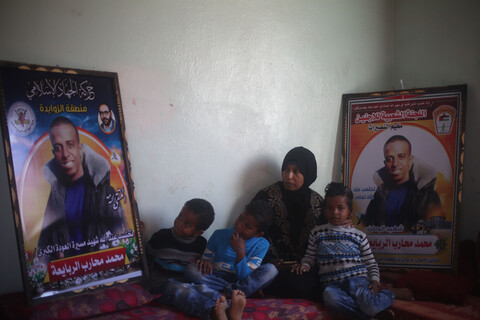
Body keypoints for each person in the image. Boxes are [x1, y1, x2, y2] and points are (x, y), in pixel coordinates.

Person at [292, 182, 405, 320]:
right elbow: (309, 256)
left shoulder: (359, 235)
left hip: (358, 281)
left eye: (340, 208)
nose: (335, 212)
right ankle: (369, 317)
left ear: (350, 211)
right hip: (332, 285)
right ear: (324, 209)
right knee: (329, 298)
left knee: (370, 306)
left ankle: (389, 294)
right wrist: (305, 265)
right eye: (329, 208)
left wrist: (375, 281)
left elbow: (371, 263)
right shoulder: (317, 233)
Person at [157, 200, 277, 320]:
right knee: (192, 270)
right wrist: (206, 262)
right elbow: (206, 262)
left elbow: (246, 279)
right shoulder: (219, 235)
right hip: (215, 279)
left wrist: (240, 254)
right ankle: (228, 300)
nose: (239, 226)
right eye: (240, 218)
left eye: (247, 227)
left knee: (271, 270)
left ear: (258, 234)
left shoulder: (261, 244)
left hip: (240, 282)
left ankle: (227, 294)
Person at [37, 116, 125, 259]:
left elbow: (123, 239)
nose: (65, 154)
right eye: (58, 148)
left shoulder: (104, 192)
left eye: (70, 144)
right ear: (54, 153)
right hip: (69, 276)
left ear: (80, 148)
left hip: (104, 272)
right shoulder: (54, 197)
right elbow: (43, 247)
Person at [251, 146, 326, 298]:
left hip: (305, 269)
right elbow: (250, 229)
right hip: (270, 267)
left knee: (319, 282)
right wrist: (270, 261)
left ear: (308, 172)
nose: (289, 176)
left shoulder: (319, 203)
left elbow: (328, 236)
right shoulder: (267, 196)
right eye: (286, 169)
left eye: (296, 171)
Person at [362, 135, 443, 231]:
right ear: (385, 163)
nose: (395, 164)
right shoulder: (379, 194)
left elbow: (437, 231)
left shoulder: (427, 195)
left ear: (410, 160)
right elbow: (367, 225)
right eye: (389, 159)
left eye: (401, 157)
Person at [146, 198, 215, 283]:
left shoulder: (201, 245)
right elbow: (146, 260)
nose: (180, 223)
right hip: (161, 283)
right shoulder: (161, 236)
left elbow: (199, 271)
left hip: (186, 286)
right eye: (180, 216)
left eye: (187, 224)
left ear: (198, 232)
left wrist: (206, 263)